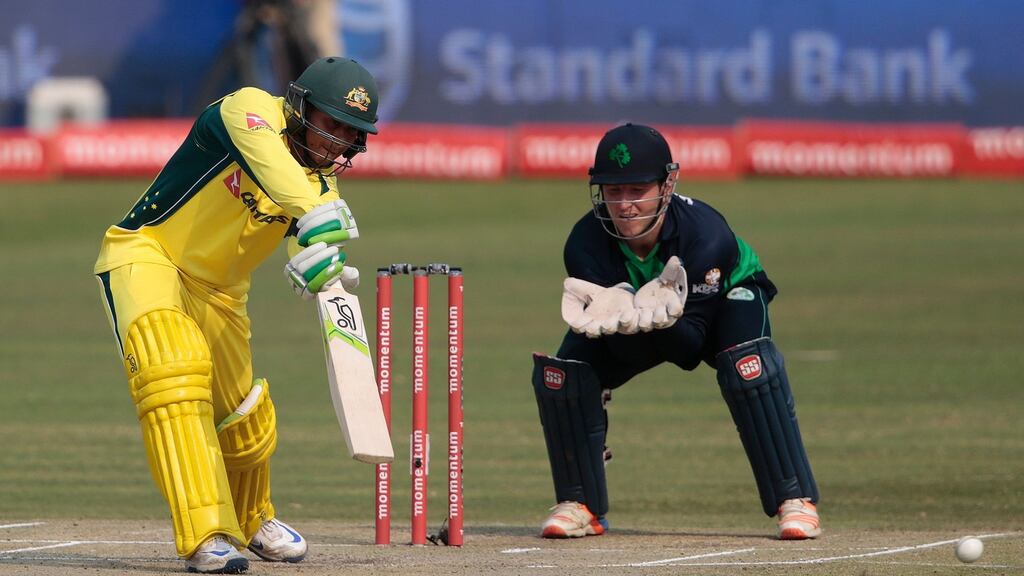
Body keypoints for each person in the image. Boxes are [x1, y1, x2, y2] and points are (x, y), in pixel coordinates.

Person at [94, 56, 378, 573]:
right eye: (330, 124)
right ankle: (205, 535)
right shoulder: (248, 111)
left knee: (244, 414)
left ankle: (253, 519)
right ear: (300, 107)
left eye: (349, 134)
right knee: (173, 371)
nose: (336, 142)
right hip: (148, 254)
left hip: (222, 293)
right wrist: (316, 215)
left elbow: (306, 241)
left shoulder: (321, 191)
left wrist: (321, 269)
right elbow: (278, 173)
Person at [531, 123, 822, 541]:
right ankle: (581, 504)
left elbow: (689, 349)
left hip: (724, 300)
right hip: (645, 320)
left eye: (638, 190)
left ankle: (794, 499)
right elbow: (624, 342)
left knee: (748, 368)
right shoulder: (583, 243)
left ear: (667, 185)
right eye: (613, 191)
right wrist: (626, 312)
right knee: (565, 376)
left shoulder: (707, 236)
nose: (625, 205)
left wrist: (660, 319)